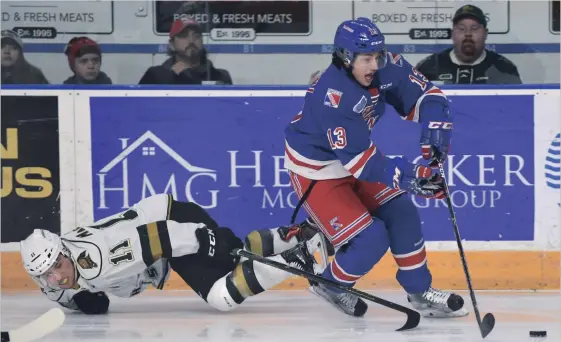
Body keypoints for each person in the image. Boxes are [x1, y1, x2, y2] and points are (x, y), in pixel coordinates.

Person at [279, 17, 468, 318]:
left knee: (402, 213)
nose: (375, 65)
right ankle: (330, 284)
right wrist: (414, 177)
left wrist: (435, 127)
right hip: (317, 170)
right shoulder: (333, 96)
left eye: (377, 55)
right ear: (345, 57)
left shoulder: (385, 66)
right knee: (371, 237)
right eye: (366, 58)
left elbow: (427, 95)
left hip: (354, 157)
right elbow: (363, 165)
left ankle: (420, 292)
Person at [20, 194, 324, 315]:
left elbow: (161, 237)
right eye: (45, 274)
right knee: (236, 262)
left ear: (64, 252)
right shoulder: (50, 277)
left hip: (173, 226)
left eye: (57, 265)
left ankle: (302, 259)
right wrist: (79, 299)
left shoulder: (98, 262)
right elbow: (62, 292)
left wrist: (208, 239)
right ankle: (292, 237)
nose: (56, 277)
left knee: (222, 296)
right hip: (165, 227)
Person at [416, 4, 522, 84]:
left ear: (485, 34)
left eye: (474, 29)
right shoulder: (429, 67)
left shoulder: (504, 68)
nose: (468, 34)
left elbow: (518, 108)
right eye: (461, 29)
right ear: (453, 34)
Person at [138, 17, 232, 85]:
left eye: (196, 36)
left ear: (202, 42)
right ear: (172, 45)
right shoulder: (156, 75)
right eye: (183, 36)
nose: (191, 40)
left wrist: (188, 74)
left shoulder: (220, 76)